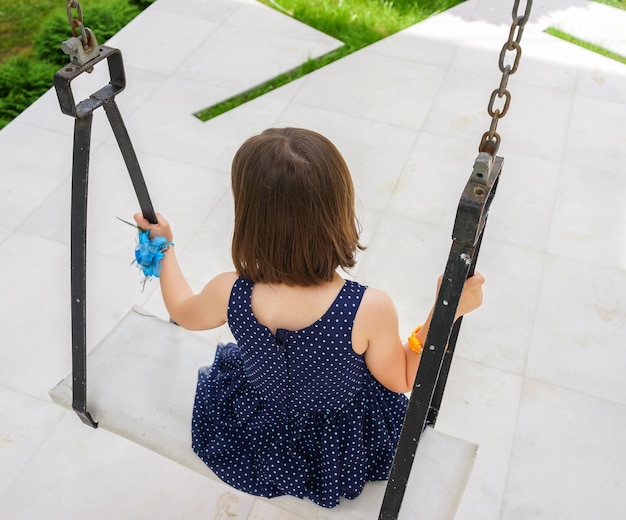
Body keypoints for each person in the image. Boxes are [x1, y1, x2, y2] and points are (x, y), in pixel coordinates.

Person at [133, 127, 484, 508]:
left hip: (258, 422)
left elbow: (182, 311)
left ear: (250, 220)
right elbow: (402, 377)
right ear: (340, 215)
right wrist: (445, 312)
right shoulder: (367, 308)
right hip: (335, 444)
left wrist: (163, 248)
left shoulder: (229, 291)